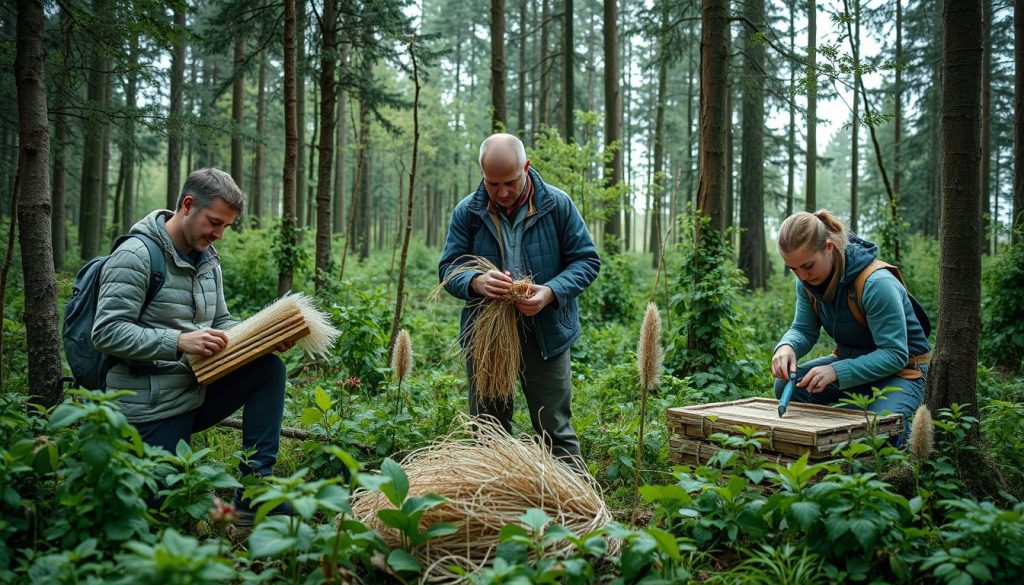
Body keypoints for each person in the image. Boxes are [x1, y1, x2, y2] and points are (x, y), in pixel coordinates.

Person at [91, 168, 292, 523]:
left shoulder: (209, 260)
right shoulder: (136, 256)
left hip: (192, 390)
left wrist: (263, 340)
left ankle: (256, 490)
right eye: (214, 223)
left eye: (226, 227)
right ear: (187, 205)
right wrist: (180, 341)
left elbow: (221, 323)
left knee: (267, 370)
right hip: (148, 407)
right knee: (160, 510)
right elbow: (107, 331)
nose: (219, 235)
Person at [438, 133, 601, 467]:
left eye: (510, 182)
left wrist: (550, 292)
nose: (501, 192)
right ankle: (492, 508)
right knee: (488, 428)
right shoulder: (468, 212)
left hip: (546, 332)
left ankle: (576, 508)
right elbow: (448, 268)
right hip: (487, 336)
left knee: (554, 428)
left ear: (526, 167)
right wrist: (476, 281)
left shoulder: (557, 205)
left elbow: (587, 261)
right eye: (492, 183)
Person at [771, 210, 930, 446]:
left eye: (807, 266)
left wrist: (836, 372)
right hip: (852, 364)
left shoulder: (876, 283)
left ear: (828, 247)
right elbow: (803, 329)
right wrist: (787, 346)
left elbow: (895, 354)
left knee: (880, 432)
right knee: (787, 386)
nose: (802, 276)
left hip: (903, 371)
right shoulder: (805, 282)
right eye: (793, 269)